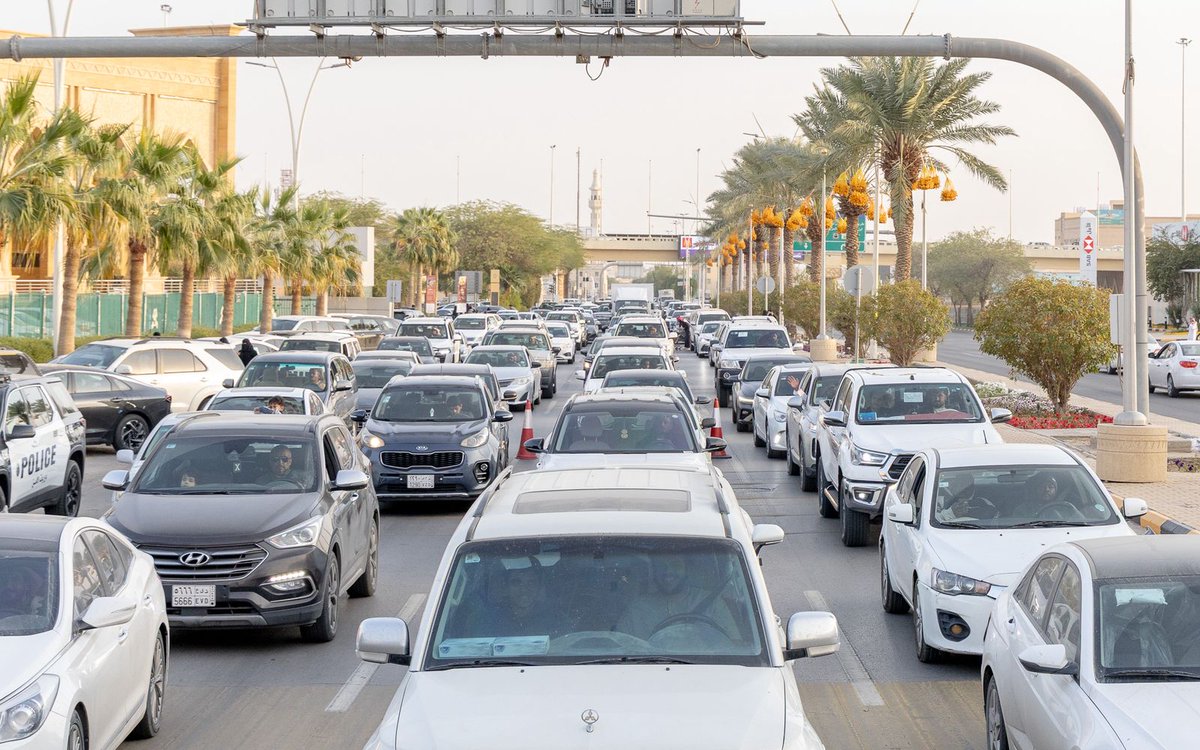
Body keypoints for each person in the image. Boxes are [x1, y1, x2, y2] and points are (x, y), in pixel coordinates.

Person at [617, 555, 738, 642]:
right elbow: (622, 647)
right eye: (661, 566)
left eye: (675, 565)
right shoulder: (638, 609)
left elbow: (734, 644)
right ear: (654, 570)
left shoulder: (712, 602)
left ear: (686, 569)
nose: (668, 571)